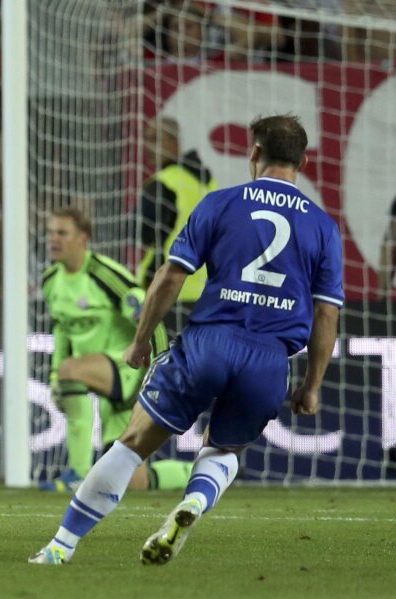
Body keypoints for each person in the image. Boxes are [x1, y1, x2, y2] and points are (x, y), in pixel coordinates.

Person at [29, 114, 344, 565]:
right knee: (223, 449)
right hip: (269, 358)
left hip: (209, 342)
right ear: (304, 160)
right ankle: (194, 502)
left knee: (134, 440)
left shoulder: (221, 203)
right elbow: (326, 312)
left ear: (254, 153)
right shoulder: (323, 227)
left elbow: (171, 276)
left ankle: (61, 546)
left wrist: (140, 341)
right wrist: (312, 385)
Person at [40, 207, 191, 492]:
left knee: (70, 371)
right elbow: (62, 332)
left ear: (83, 238)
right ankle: (194, 472)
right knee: (130, 482)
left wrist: (159, 373)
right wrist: (54, 376)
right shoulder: (51, 281)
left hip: (130, 372)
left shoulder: (104, 275)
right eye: (50, 232)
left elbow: (152, 320)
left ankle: (77, 472)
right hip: (101, 378)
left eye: (62, 232)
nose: (53, 239)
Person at [136, 116, 217, 307]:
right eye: (146, 139)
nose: (148, 146)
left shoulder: (164, 182)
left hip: (171, 290)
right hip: (209, 291)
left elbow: (142, 233)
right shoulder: (209, 183)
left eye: (155, 139)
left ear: (174, 141)